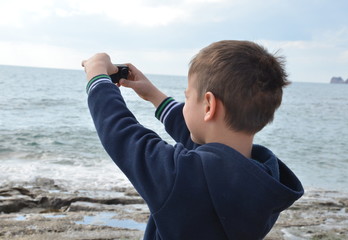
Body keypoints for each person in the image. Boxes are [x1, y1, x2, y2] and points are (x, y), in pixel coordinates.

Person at [81, 40, 304, 240]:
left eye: (187, 97)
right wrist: (154, 96)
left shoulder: (181, 177)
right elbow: (203, 146)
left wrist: (97, 74)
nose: (185, 103)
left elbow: (120, 132)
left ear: (209, 105)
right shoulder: (263, 181)